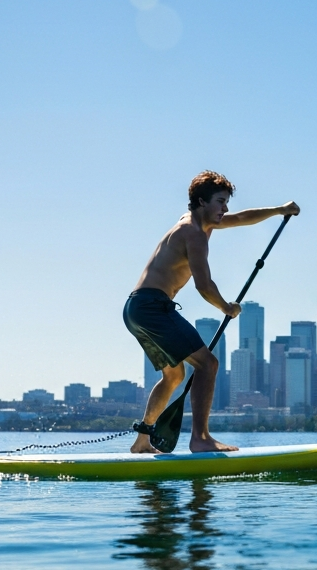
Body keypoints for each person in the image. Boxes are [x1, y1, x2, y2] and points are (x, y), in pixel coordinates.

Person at [124, 170, 299, 453]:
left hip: (136, 308)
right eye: (220, 202)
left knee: (174, 376)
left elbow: (243, 218)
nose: (225, 209)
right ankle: (201, 439)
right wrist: (226, 307)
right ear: (202, 202)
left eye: (226, 202)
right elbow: (203, 285)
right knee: (208, 364)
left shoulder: (201, 224)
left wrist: (280, 210)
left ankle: (143, 441)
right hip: (152, 306)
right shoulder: (192, 233)